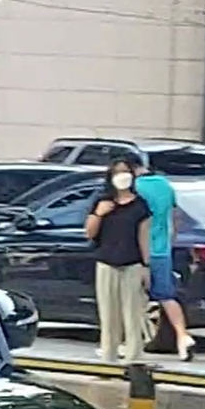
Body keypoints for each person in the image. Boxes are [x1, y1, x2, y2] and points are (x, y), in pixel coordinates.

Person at [84, 156, 154, 365]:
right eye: (117, 173)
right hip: (106, 263)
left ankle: (133, 358)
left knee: (132, 314)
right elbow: (89, 232)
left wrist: (146, 266)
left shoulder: (140, 205)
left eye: (126, 172)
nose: (122, 177)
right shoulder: (102, 202)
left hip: (131, 264)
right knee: (108, 315)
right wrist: (99, 214)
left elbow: (144, 237)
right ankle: (108, 357)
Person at [132, 162, 195, 362]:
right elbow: (175, 218)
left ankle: (127, 342)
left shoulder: (134, 188)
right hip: (162, 249)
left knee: (131, 296)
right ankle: (182, 336)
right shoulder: (165, 185)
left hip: (137, 251)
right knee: (166, 296)